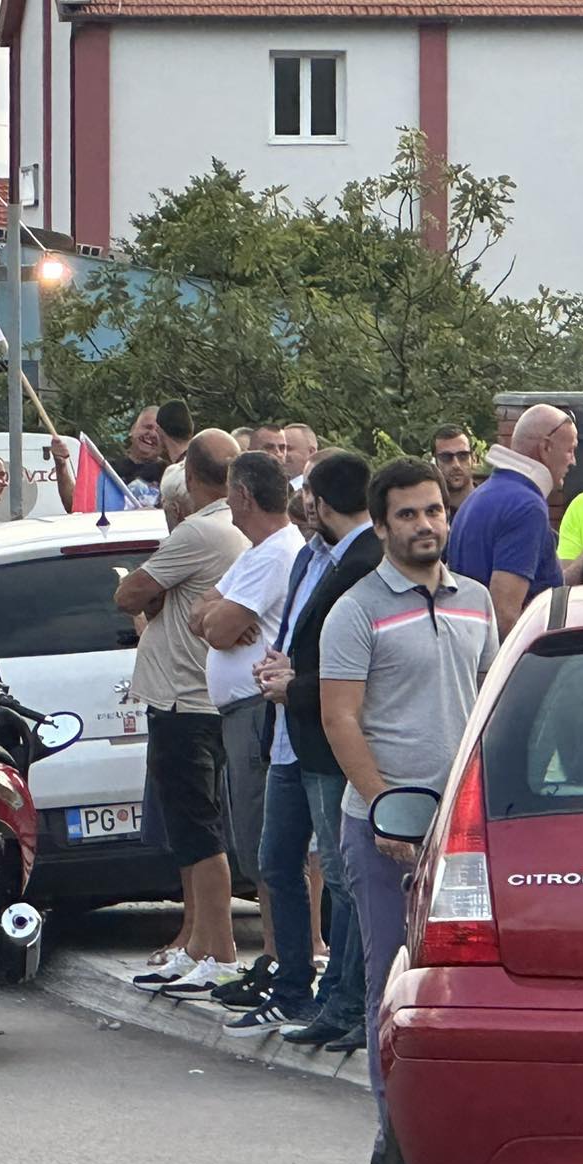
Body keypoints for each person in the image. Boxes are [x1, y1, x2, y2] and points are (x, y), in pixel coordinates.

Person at [320, 457, 498, 1164]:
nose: (426, 525)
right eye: (408, 515)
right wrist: (386, 811)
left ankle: (464, 1130)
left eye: (434, 511)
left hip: (465, 832)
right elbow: (339, 718)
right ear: (380, 525)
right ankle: (394, 1136)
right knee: (392, 986)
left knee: (464, 988)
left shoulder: (477, 600)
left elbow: (489, 706)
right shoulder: (355, 610)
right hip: (383, 831)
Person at [115, 430, 248, 996]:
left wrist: (150, 590)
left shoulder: (199, 530)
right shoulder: (237, 529)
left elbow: (128, 595)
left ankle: (220, 950)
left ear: (190, 477)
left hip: (184, 700)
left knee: (200, 831)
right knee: (193, 829)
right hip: (202, 697)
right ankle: (196, 943)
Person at [254, 451, 378, 1056]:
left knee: (343, 875)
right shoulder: (315, 554)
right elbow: (301, 634)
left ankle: (343, 998)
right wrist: (281, 669)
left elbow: (355, 667)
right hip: (291, 734)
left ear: (320, 503)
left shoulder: (364, 562)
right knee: (281, 861)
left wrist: (294, 685)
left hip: (327, 742)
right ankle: (301, 986)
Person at [188, 450, 304, 1026]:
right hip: (241, 712)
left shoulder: (276, 553)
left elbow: (219, 627)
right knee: (257, 841)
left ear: (243, 496)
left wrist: (220, 617)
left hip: (259, 711)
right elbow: (201, 614)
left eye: (230, 496)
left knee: (268, 844)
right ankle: (277, 960)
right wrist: (217, 615)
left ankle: (285, 961)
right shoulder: (256, 554)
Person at [445, 402, 583, 637]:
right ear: (546, 447)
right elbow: (505, 617)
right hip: (505, 656)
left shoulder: (479, 496)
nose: (573, 461)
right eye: (570, 450)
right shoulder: (527, 506)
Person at [430, 424, 479, 518]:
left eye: (463, 455)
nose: (456, 465)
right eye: (446, 457)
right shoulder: (428, 511)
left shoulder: (492, 504)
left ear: (474, 459)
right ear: (434, 462)